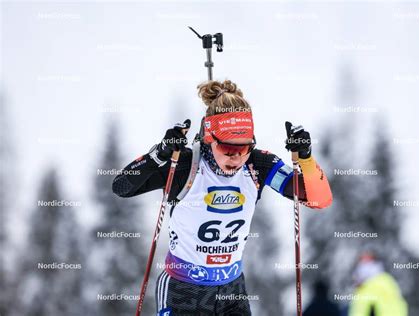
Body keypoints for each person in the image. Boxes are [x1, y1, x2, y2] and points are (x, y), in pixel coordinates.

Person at [112, 79, 333, 315]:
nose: (236, 158)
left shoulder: (258, 164)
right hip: (182, 290)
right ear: (209, 138)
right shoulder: (186, 164)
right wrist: (160, 153)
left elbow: (319, 200)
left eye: (244, 148)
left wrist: (306, 159)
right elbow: (122, 186)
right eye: (228, 148)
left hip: (231, 290)